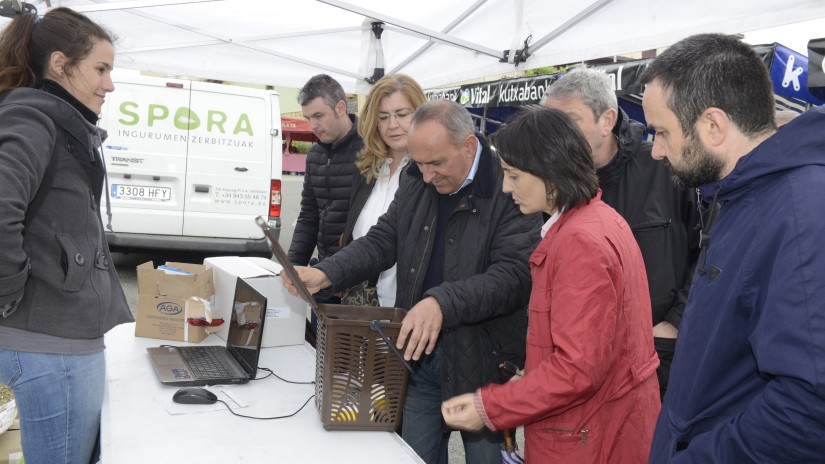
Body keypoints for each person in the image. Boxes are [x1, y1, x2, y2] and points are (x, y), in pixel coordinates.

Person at [282, 100, 540, 463]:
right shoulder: (416, 177)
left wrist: (441, 303)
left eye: (436, 163)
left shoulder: (511, 183)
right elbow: (383, 240)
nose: (428, 175)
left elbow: (514, 276)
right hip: (419, 359)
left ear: (468, 146)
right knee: (413, 456)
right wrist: (327, 272)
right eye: (419, 164)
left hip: (485, 364)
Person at [640, 33, 825, 462]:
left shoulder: (801, 211)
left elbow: (809, 408)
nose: (657, 151)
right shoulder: (740, 194)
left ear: (713, 126)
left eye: (663, 133)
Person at [441, 107, 661, 463]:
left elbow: (577, 370)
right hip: (606, 425)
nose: (505, 187)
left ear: (550, 173)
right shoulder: (599, 219)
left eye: (513, 175)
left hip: (590, 435)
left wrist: (490, 406)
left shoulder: (579, 241)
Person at [0, 8, 134, 464]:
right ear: (60, 64)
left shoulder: (53, 122)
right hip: (51, 349)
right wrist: (8, 293)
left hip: (61, 345)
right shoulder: (34, 119)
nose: (109, 84)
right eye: (101, 68)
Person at [543, 67, 700, 399]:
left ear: (607, 119)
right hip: (580, 364)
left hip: (658, 360)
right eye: (551, 123)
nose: (557, 134)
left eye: (570, 120)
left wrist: (676, 320)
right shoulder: (550, 186)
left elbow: (707, 251)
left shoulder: (664, 167)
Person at [339, 74, 426, 307]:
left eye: (402, 114)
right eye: (384, 117)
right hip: (360, 304)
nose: (393, 125)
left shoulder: (429, 173)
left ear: (421, 113)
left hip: (409, 307)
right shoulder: (366, 169)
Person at [288, 74, 363, 309]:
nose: (313, 126)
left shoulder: (371, 150)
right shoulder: (315, 156)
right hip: (322, 279)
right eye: (308, 118)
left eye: (319, 116)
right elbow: (309, 216)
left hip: (360, 280)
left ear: (341, 107)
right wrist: (292, 266)